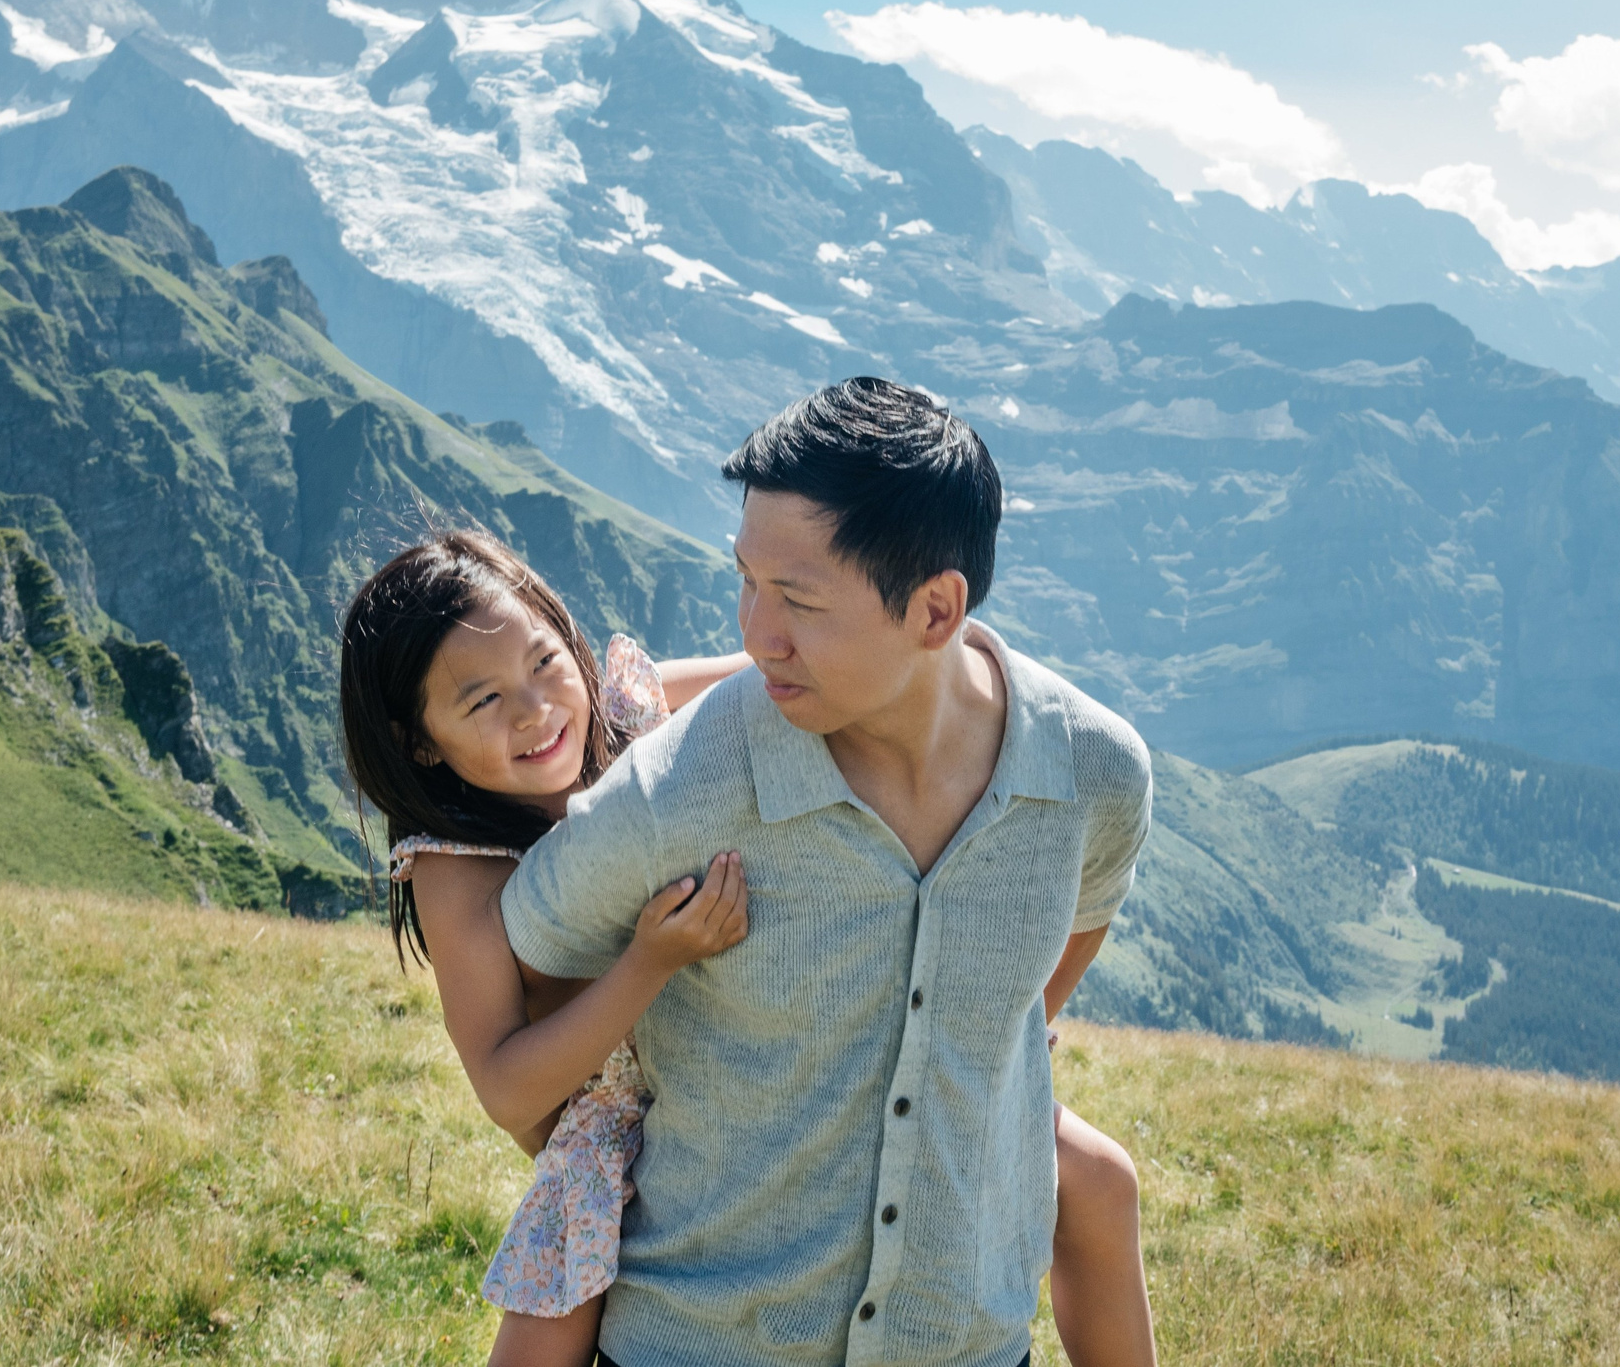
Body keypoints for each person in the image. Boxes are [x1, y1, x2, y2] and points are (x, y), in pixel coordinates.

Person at [338, 454, 1154, 1365]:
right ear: (419, 742)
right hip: (614, 1115)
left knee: (1098, 1180)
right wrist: (651, 961)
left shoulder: (622, 704)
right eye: (483, 699)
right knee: (548, 1330)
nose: (535, 712)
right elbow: (506, 1088)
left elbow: (780, 672)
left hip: (792, 1056)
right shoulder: (454, 867)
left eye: (543, 662)